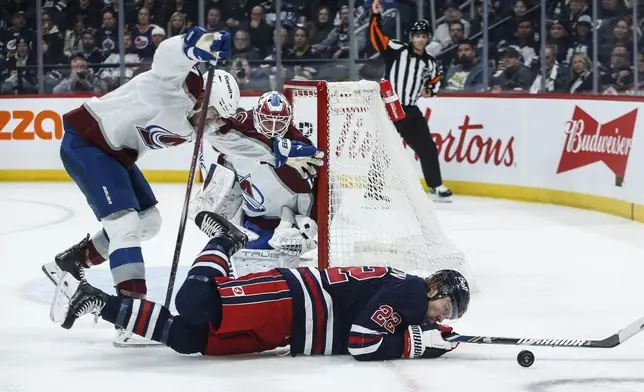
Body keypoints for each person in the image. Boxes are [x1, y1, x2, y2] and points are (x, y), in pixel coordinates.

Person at [41, 26, 236, 346]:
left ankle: (69, 263)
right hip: (89, 141)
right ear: (204, 96)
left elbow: (230, 145)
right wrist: (195, 44)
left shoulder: (198, 119)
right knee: (125, 226)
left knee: (149, 222)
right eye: (214, 113)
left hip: (115, 155)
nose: (214, 122)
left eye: (218, 119)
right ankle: (131, 317)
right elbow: (167, 56)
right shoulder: (173, 85)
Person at [55, 211, 470, 361]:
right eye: (446, 308)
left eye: (447, 316)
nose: (442, 315)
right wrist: (417, 345)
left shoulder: (413, 305)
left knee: (187, 338)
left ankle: (98, 302)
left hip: (289, 333)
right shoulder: (412, 290)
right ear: (436, 289)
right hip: (289, 299)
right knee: (193, 301)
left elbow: (382, 327)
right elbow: (363, 341)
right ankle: (226, 241)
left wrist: (429, 334)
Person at [190, 91, 321, 277]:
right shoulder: (242, 132)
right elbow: (224, 157)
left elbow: (311, 192)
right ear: (258, 118)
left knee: (284, 275)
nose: (274, 128)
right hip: (251, 222)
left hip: (283, 226)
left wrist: (308, 225)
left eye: (279, 123)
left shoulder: (299, 145)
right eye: (268, 122)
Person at [369, 0, 452, 202]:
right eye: (417, 36)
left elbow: (436, 83)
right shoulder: (397, 50)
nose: (420, 40)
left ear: (428, 38)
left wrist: (430, 91)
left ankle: (435, 185)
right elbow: (378, 39)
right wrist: (376, 16)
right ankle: (374, 190)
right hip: (390, 108)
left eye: (423, 36)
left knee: (427, 148)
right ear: (411, 37)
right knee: (384, 148)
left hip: (411, 111)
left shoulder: (430, 62)